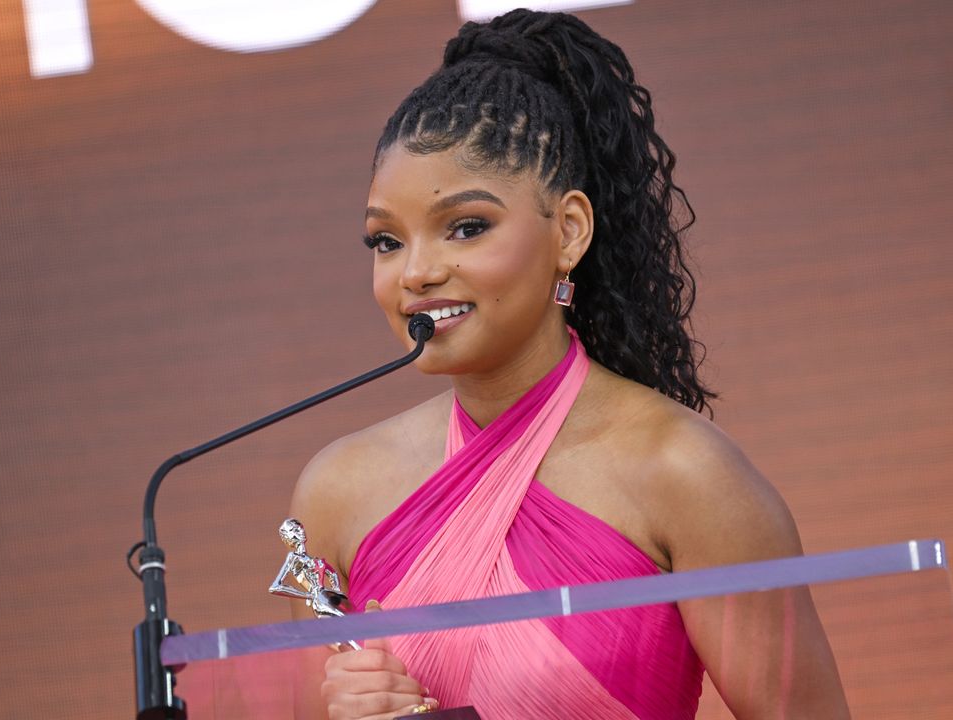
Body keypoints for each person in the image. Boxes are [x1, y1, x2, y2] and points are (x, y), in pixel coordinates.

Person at [287, 9, 849, 720]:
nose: (416, 273)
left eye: (467, 227)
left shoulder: (683, 474)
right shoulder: (335, 493)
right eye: (386, 242)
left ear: (569, 231)